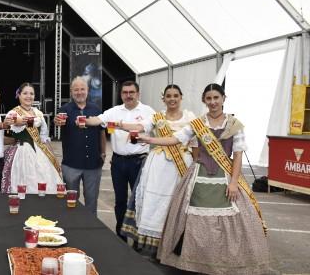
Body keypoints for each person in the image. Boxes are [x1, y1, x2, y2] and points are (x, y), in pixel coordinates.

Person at [138, 83, 269, 274]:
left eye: (216, 97)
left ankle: (223, 261)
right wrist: (149, 139)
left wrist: (233, 183)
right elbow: (175, 139)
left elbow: (238, 155)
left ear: (224, 98)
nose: (213, 102)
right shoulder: (198, 123)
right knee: (193, 220)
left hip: (225, 177)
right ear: (204, 101)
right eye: (209, 99)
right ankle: (196, 261)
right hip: (198, 177)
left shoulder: (234, 124)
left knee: (230, 221)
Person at [119, 84, 197, 256]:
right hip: (158, 167)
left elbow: (195, 142)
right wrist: (120, 124)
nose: (172, 99)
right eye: (168, 96)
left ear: (181, 97)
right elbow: (140, 127)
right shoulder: (157, 117)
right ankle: (152, 246)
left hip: (182, 164)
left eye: (175, 95)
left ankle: (173, 244)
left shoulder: (190, 117)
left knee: (176, 202)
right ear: (164, 99)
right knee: (154, 203)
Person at [83, 81, 155, 241]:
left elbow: (150, 129)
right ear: (121, 94)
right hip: (118, 162)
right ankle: (121, 235)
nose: (128, 95)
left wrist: (122, 126)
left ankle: (138, 238)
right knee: (120, 201)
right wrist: (83, 121)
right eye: (125, 92)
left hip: (139, 162)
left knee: (139, 200)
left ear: (138, 93)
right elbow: (97, 120)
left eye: (131, 92)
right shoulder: (114, 111)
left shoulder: (148, 111)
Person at [53, 77, 106, 215]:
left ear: (87, 91)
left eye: (82, 89)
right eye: (76, 89)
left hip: (93, 164)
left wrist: (103, 153)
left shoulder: (96, 109)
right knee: (71, 203)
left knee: (91, 202)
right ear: (71, 91)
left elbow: (102, 133)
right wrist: (56, 121)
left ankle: (90, 231)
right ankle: (72, 230)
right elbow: (57, 121)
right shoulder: (64, 109)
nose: (79, 92)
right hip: (71, 164)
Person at [2, 82, 61, 194]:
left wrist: (53, 157)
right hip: (22, 153)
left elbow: (44, 139)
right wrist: (22, 120)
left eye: (31, 94)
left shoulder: (38, 113)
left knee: (44, 181)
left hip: (40, 153)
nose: (29, 96)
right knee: (24, 184)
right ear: (19, 95)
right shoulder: (14, 112)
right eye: (25, 93)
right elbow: (16, 122)